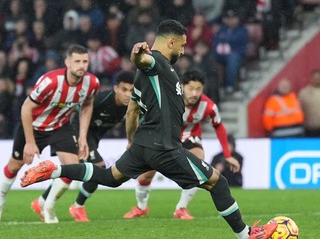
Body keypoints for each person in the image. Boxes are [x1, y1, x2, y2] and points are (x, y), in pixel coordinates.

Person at [21, 19, 277, 239]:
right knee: (217, 183)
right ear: (172, 42)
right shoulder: (156, 63)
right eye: (183, 44)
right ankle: (246, 235)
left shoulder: (145, 77)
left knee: (110, 177)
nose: (184, 49)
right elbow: (142, 60)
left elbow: (132, 112)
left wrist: (132, 141)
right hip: (164, 146)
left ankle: (55, 169)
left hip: (144, 144)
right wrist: (136, 54)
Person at [0, 45, 100, 223]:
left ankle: (47, 204)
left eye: (85, 61)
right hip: (33, 126)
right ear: (67, 62)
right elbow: (26, 107)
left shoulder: (92, 83)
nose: (82, 65)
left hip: (60, 126)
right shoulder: (51, 81)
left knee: (73, 168)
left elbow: (87, 105)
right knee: (14, 166)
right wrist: (30, 142)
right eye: (77, 61)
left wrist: (83, 136)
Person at [123, 70, 236, 220]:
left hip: (190, 138)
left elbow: (219, 126)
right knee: (146, 175)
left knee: (199, 166)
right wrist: (135, 140)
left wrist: (227, 155)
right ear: (182, 87)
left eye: (198, 89)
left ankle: (181, 208)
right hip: (163, 139)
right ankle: (141, 207)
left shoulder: (208, 106)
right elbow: (143, 116)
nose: (194, 93)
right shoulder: (168, 99)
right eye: (191, 88)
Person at [30, 70, 134, 222]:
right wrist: (80, 138)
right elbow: (79, 111)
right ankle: (77, 206)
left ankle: (41, 202)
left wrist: (131, 140)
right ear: (115, 88)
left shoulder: (131, 105)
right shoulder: (102, 99)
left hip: (93, 138)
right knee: (99, 167)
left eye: (131, 90)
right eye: (124, 90)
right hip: (78, 132)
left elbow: (134, 120)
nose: (128, 94)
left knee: (73, 170)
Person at [298, 70, 320, 137]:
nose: (317, 80)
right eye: (315, 78)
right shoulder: (304, 93)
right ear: (311, 79)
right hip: (311, 129)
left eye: (319, 78)